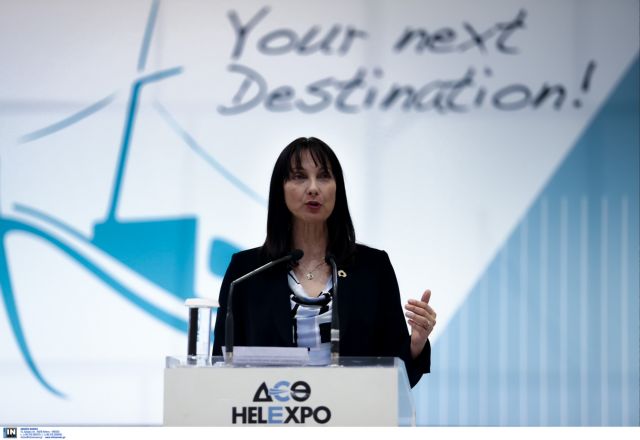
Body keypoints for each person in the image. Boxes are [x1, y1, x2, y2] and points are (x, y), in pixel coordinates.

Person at [212, 137, 436, 387]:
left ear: (337, 188)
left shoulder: (373, 268)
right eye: (299, 176)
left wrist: (416, 344)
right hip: (269, 409)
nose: (313, 188)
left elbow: (396, 378)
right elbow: (221, 366)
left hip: (352, 409)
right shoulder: (246, 272)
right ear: (280, 189)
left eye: (324, 176)